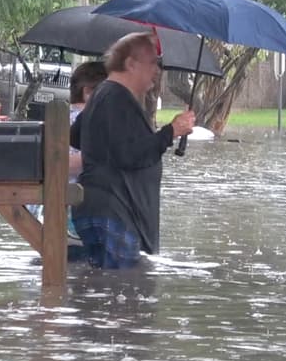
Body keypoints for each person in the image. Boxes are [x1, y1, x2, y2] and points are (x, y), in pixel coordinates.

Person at [70, 33, 194, 269]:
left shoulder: (104, 94)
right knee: (122, 295)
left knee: (105, 291)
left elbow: (77, 136)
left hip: (98, 209)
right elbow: (131, 154)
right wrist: (172, 131)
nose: (156, 70)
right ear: (130, 64)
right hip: (115, 212)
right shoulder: (116, 98)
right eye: (152, 63)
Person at [27, 60, 108, 254]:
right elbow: (62, 164)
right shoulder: (88, 120)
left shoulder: (54, 119)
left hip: (44, 208)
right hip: (74, 208)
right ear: (88, 92)